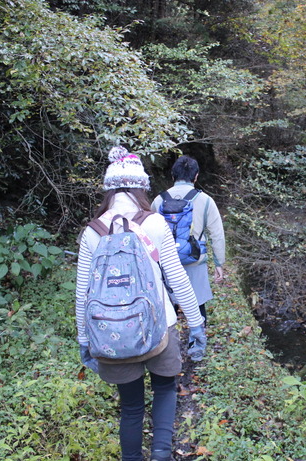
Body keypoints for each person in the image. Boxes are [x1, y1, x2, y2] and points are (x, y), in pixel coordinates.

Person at [75, 146, 206, 461]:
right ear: (141, 186)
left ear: (109, 189)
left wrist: (84, 339)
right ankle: (161, 453)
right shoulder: (154, 223)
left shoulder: (92, 232)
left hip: (111, 334)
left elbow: (82, 293)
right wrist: (197, 324)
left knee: (131, 406)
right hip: (161, 328)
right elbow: (177, 279)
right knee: (165, 390)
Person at [151, 156, 225, 324]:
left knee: (169, 308)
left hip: (167, 262)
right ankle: (197, 344)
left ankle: (172, 345)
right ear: (196, 176)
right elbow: (217, 234)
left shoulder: (158, 200)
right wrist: (219, 263)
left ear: (173, 175)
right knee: (198, 306)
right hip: (194, 261)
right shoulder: (205, 200)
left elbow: (148, 233)